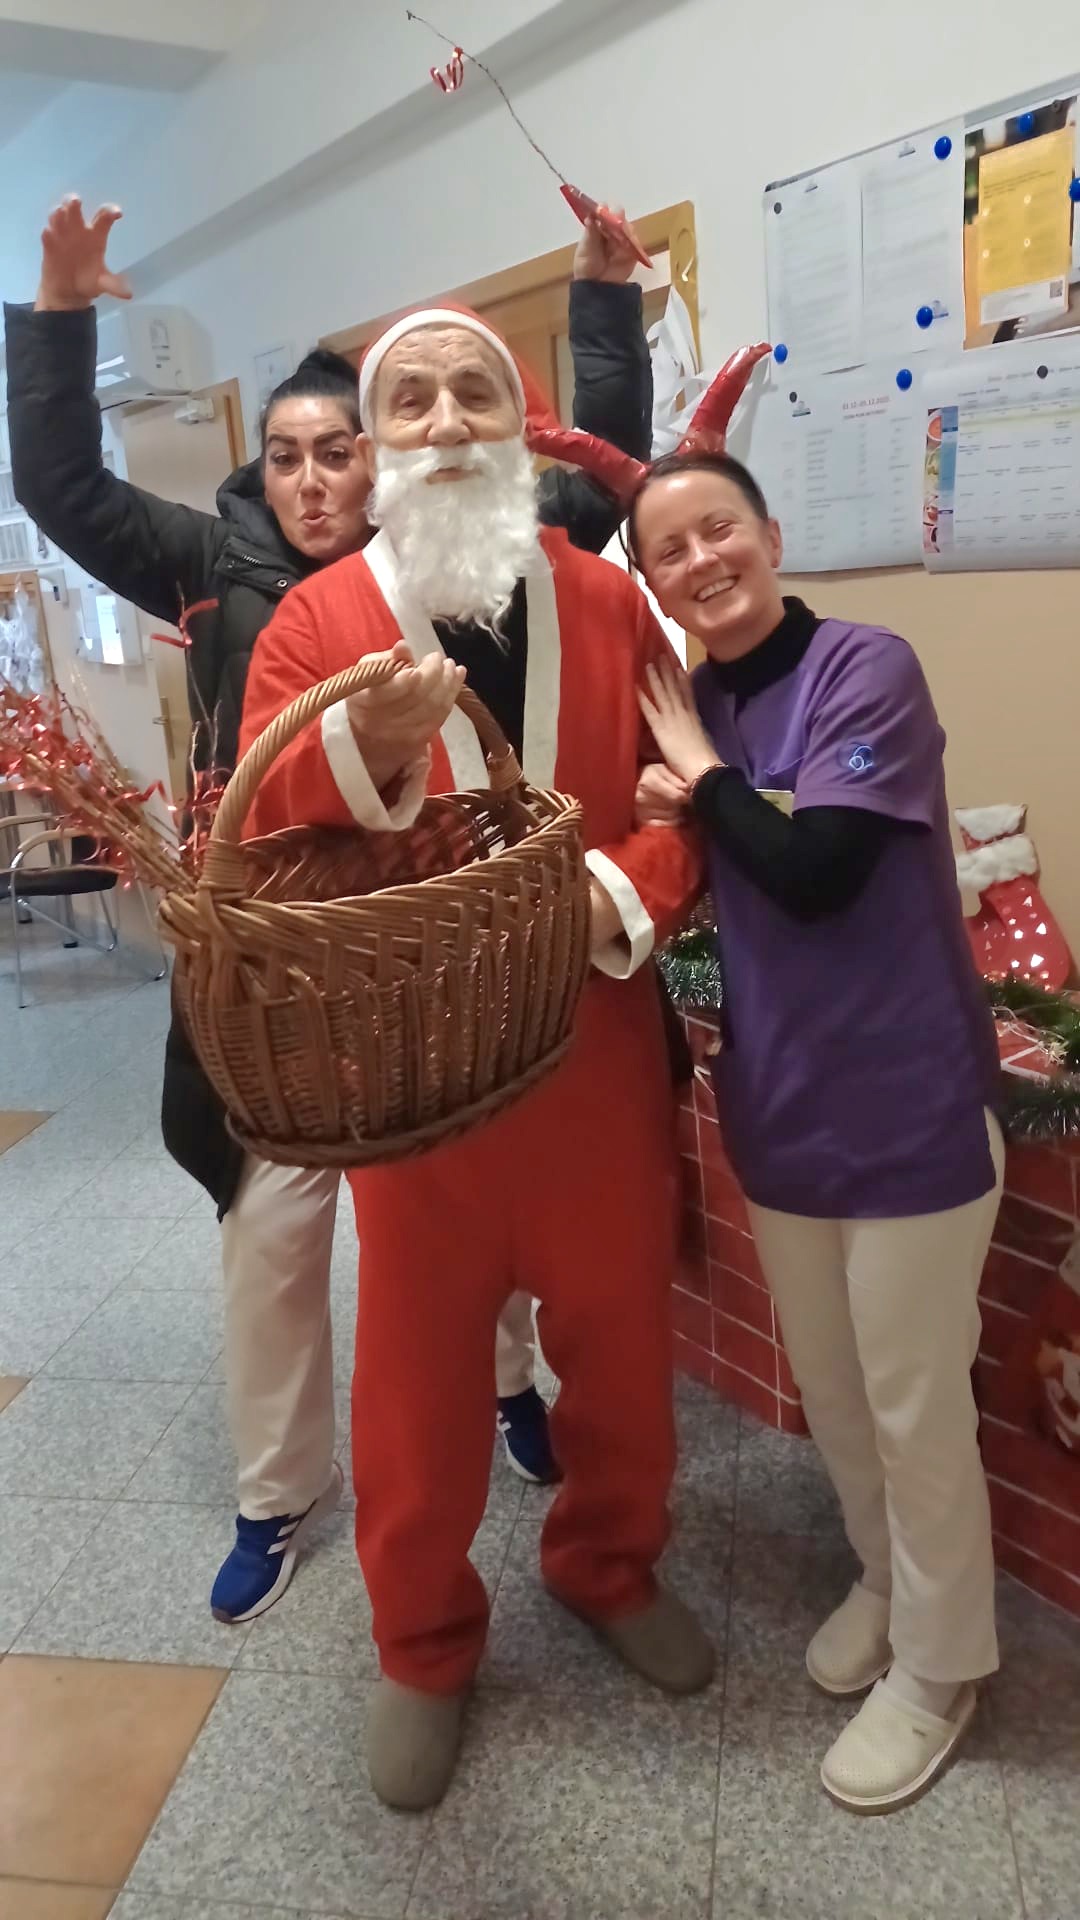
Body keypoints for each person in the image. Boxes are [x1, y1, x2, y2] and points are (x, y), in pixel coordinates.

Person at [4, 194, 655, 1620]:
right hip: (307, 987)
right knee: (282, 1240)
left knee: (532, 1260)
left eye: (336, 452)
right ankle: (283, 1499)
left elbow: (606, 478)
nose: (317, 478)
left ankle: (533, 1423)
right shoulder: (228, 574)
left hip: (526, 1006)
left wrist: (606, 306)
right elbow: (60, 484)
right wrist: (52, 322)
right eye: (289, 456)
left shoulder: (544, 570)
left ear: (375, 460)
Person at [238, 303, 712, 1809]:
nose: (446, 422)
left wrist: (615, 893)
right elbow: (259, 829)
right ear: (376, 444)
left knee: (623, 1343)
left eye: (476, 394)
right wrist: (367, 749)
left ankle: (609, 1560)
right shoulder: (314, 624)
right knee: (419, 1383)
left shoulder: (615, 604)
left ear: (520, 426)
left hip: (596, 1052)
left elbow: (690, 799)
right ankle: (424, 1641)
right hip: (417, 1082)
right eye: (413, 401)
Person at [629, 449, 1005, 1816]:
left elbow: (818, 870)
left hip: (910, 1105)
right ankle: (888, 1582)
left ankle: (945, 1667)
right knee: (837, 1395)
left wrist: (700, 779)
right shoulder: (703, 699)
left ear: (771, 534)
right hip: (781, 1104)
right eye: (669, 549)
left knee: (914, 1406)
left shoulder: (865, 667)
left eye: (718, 527)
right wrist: (687, 782)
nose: (702, 560)